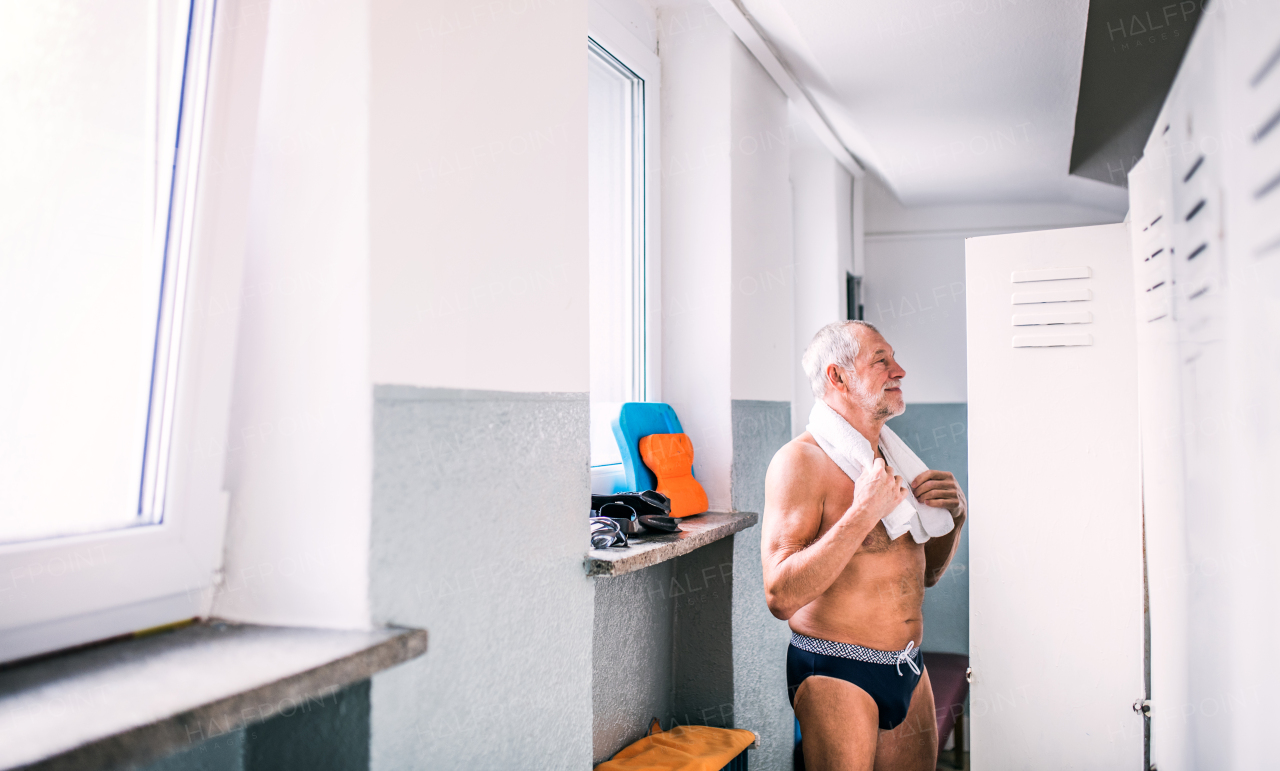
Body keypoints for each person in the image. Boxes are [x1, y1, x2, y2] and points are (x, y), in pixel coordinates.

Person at [762, 320, 967, 770]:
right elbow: (780, 594)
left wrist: (953, 520)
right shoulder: (800, 462)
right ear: (837, 377)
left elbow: (925, 577)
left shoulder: (892, 459)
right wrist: (861, 513)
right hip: (838, 669)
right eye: (882, 361)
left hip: (908, 665)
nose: (900, 371)